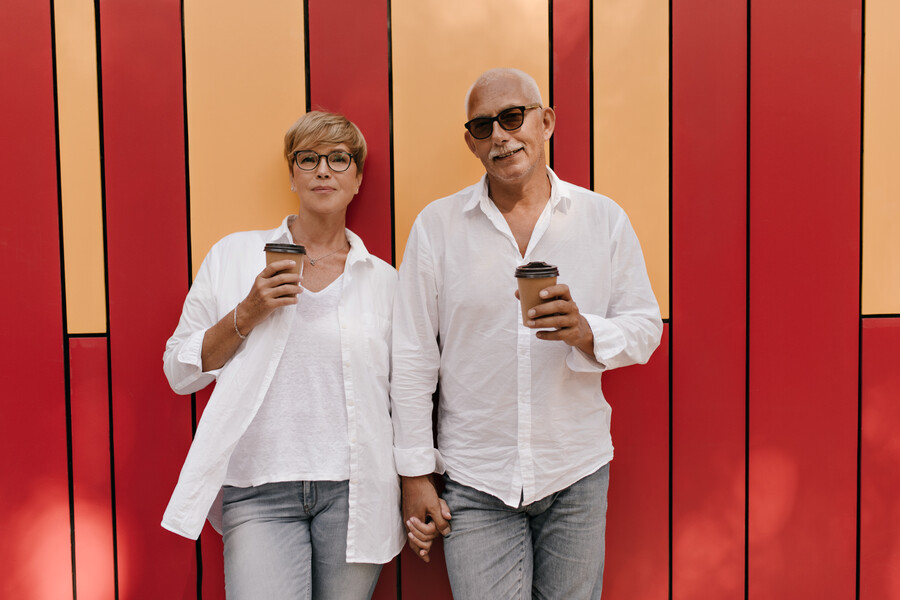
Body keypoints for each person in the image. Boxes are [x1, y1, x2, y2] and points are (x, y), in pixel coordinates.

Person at [391, 68, 662, 599]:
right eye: (483, 125)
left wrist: (586, 332)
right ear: (471, 142)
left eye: (513, 117)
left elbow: (645, 328)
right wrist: (415, 474)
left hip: (575, 470)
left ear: (547, 122)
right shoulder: (436, 227)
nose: (501, 135)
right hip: (476, 477)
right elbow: (413, 356)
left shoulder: (602, 219)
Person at [161, 111, 403, 599]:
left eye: (339, 159)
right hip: (259, 487)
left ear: (357, 178)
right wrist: (246, 313)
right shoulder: (234, 255)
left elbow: (407, 393)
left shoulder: (385, 281)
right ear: (292, 175)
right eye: (308, 158)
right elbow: (178, 373)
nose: (323, 171)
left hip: (356, 491)